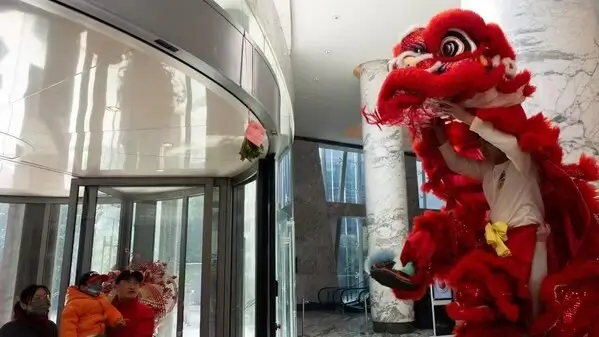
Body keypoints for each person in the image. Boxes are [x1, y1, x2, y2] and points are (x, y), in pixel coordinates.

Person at [432, 103, 549, 319]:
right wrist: (439, 134)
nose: (483, 148)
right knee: (500, 299)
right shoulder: (488, 170)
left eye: (487, 143)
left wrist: (465, 117)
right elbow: (456, 164)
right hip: (497, 240)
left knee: (531, 295)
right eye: (480, 144)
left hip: (527, 236)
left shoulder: (522, 160)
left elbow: (509, 143)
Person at [60, 271, 124, 337]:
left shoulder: (102, 299)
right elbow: (68, 328)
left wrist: (117, 320)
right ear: (82, 287)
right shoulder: (73, 305)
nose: (98, 287)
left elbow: (110, 311)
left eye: (99, 284)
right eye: (94, 284)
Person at [107, 270, 154, 337]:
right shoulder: (105, 308)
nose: (132, 287)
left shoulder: (146, 312)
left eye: (135, 283)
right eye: (127, 282)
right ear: (116, 286)